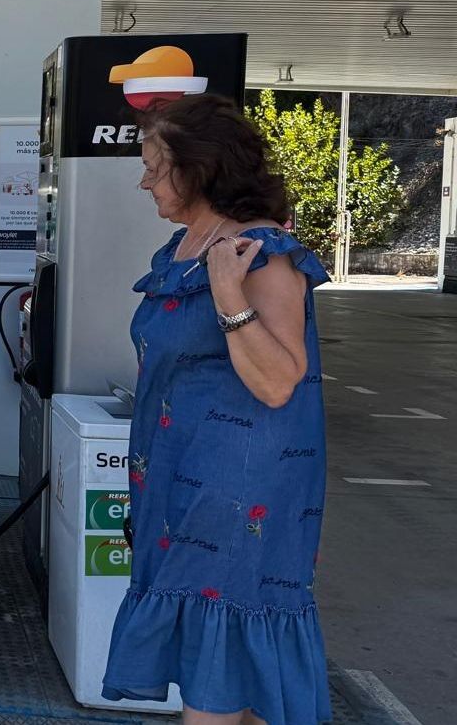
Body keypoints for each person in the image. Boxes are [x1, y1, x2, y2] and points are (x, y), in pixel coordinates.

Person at [102, 94, 331, 725]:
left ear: (198, 167)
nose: (144, 178)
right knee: (229, 666)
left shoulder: (261, 252)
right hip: (177, 478)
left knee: (222, 668)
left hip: (238, 487)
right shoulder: (182, 247)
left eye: (155, 164)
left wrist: (229, 293)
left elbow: (281, 381)